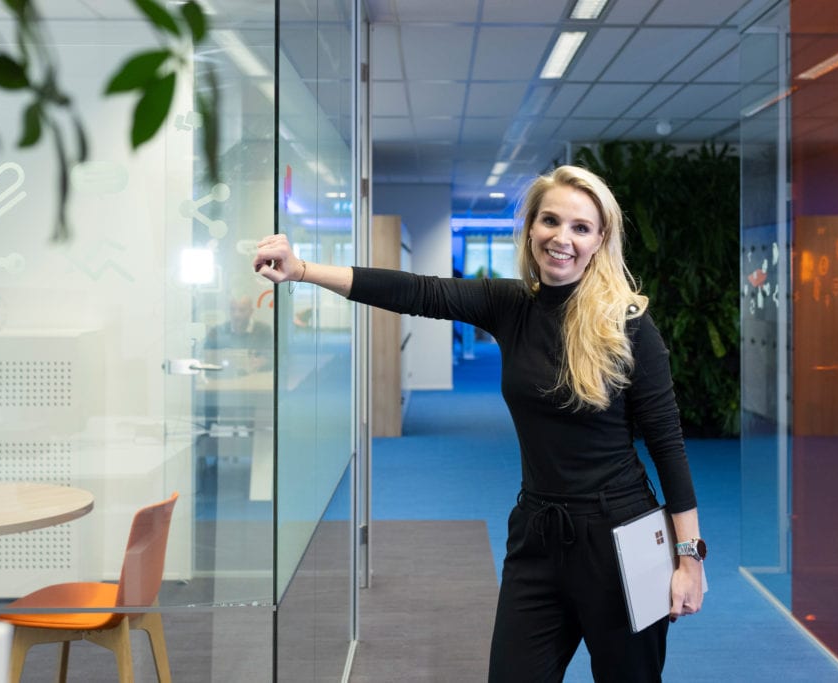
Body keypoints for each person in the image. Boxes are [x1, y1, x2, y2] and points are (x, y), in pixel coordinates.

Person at [253, 165, 705, 682]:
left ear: (601, 239)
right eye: (550, 221)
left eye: (581, 227)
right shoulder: (512, 305)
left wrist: (689, 558)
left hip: (620, 538)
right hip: (536, 534)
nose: (562, 238)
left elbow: (669, 447)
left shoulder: (628, 325)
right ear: (531, 228)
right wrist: (303, 269)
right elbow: (418, 291)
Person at [203, 293, 273, 373]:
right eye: (233, 309)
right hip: (225, 380)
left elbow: (273, 358)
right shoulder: (218, 331)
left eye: (242, 310)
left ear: (251, 311)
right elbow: (205, 356)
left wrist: (263, 361)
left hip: (255, 379)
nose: (236, 314)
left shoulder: (263, 330)